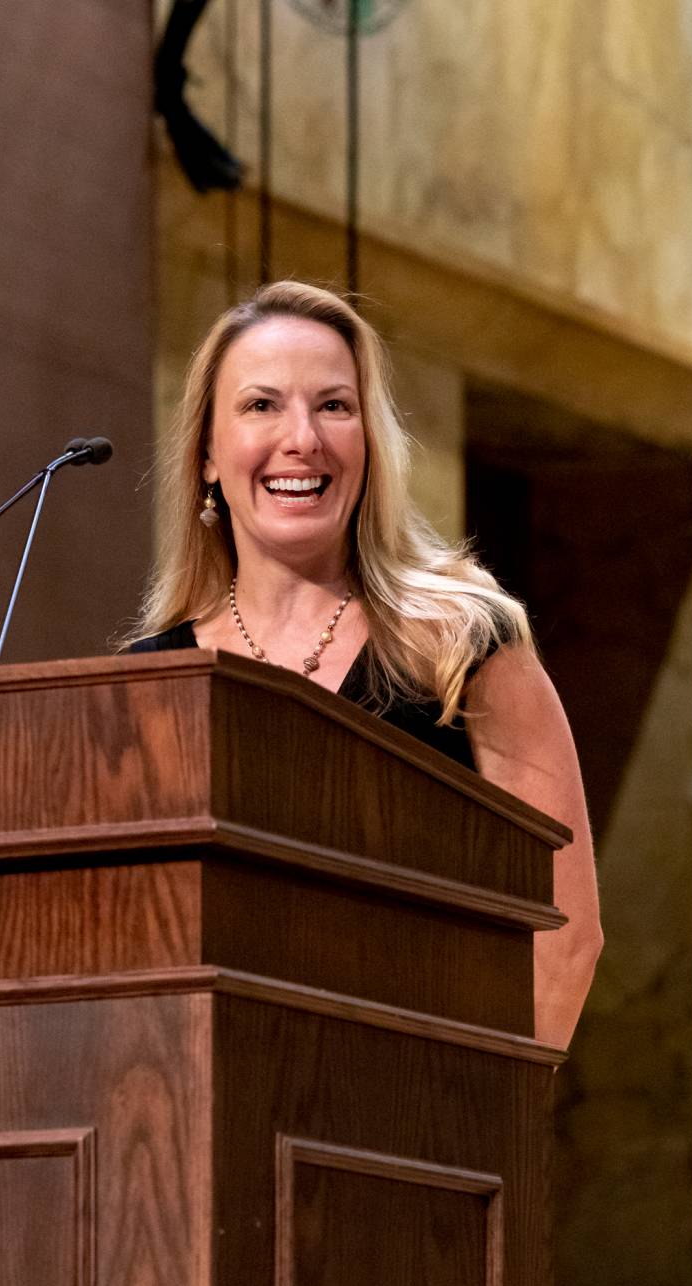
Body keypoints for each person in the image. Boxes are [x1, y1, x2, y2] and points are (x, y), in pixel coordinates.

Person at [123, 280, 602, 1050]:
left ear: (370, 443)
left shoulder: (462, 646)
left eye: (334, 406)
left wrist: (481, 1123)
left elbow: (566, 935)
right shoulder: (147, 687)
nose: (302, 438)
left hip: (418, 1130)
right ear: (207, 455)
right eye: (261, 406)